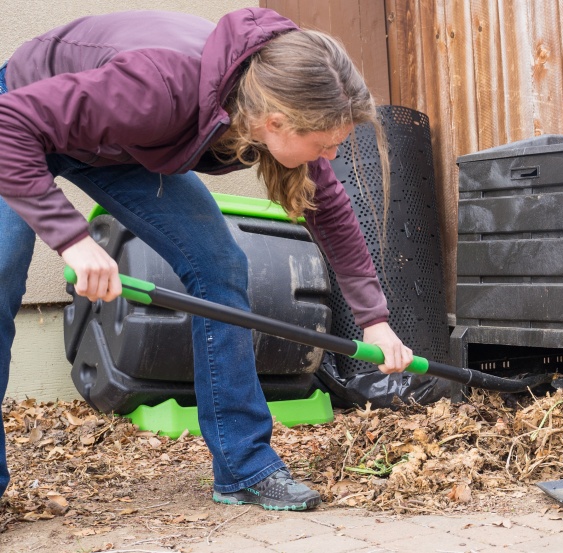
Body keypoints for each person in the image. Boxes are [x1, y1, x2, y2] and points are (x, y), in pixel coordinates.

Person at [0, 7, 414, 511]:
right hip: (19, 121)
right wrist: (72, 238)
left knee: (219, 269)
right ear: (276, 122)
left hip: (120, 147)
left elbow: (330, 210)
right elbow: (10, 124)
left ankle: (244, 468)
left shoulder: (266, 98)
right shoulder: (161, 86)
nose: (327, 157)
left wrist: (374, 321)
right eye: (323, 145)